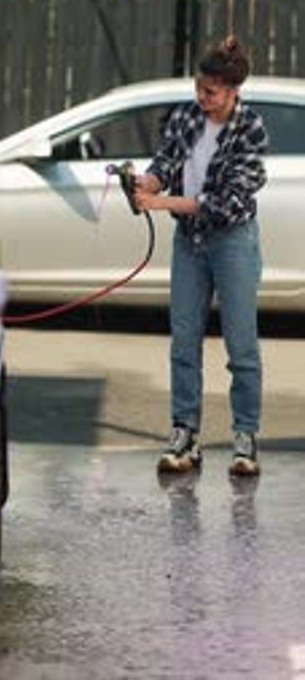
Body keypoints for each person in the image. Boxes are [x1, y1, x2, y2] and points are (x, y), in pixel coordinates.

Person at [134, 34, 268, 477]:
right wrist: (148, 183)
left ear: (233, 92)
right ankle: (184, 435)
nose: (202, 98)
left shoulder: (251, 129)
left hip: (232, 241)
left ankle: (245, 439)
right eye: (199, 88)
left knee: (241, 346)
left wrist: (162, 203)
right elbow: (166, 161)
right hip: (188, 244)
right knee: (183, 341)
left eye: (211, 92)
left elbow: (222, 202)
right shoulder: (187, 117)